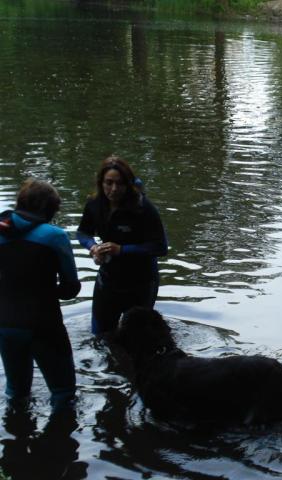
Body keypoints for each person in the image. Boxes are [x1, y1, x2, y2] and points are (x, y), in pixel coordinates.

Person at [0, 179, 81, 411]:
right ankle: (60, 442)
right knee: (63, 392)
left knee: (16, 394)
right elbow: (70, 288)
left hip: (6, 324)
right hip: (43, 324)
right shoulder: (54, 236)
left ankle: (15, 440)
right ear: (50, 209)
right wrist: (44, 289)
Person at [77, 155, 168, 336]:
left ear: (128, 185)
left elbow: (160, 247)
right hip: (108, 279)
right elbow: (82, 232)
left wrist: (122, 250)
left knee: (138, 339)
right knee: (101, 336)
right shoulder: (94, 204)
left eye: (119, 184)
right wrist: (93, 247)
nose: (113, 189)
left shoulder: (143, 208)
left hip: (141, 283)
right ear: (100, 183)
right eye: (108, 183)